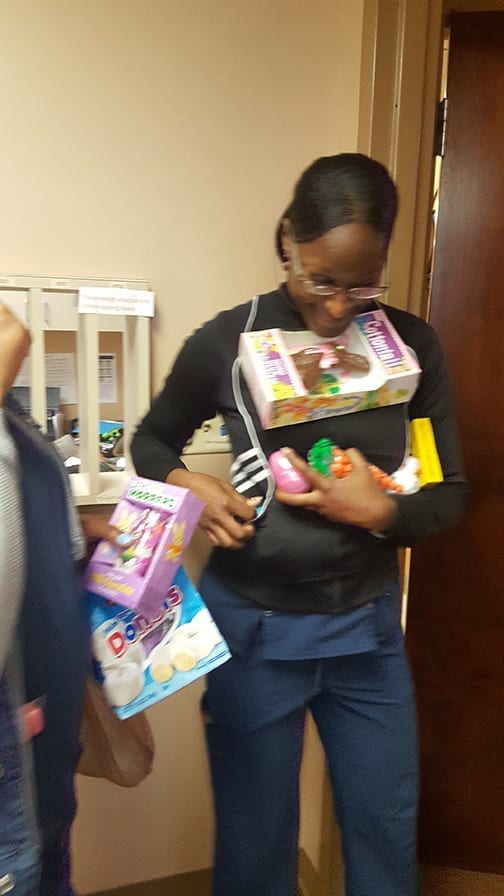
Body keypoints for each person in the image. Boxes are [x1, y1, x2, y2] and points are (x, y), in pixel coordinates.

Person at [130, 153, 468, 896]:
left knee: (384, 830)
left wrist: (384, 511)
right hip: (254, 631)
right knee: (255, 845)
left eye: (362, 284)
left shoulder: (411, 349)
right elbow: (149, 443)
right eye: (320, 280)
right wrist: (189, 483)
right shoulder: (227, 340)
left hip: (366, 629)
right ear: (287, 240)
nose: (339, 307)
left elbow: (450, 494)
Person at [0, 303, 122, 896]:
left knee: (52, 851)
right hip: (10, 729)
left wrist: (80, 533)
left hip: (45, 705)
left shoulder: (14, 412)